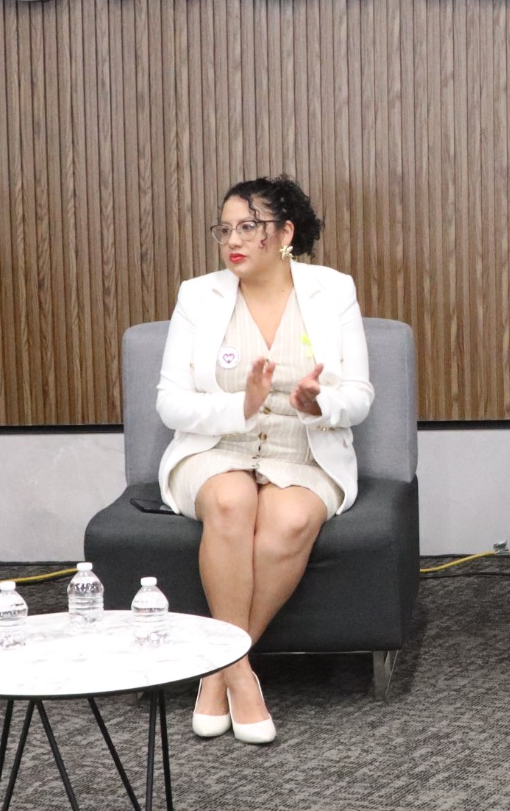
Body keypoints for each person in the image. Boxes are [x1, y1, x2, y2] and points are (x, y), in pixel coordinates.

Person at [157, 176, 373, 746]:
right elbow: (169, 402)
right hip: (215, 449)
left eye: (248, 227)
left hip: (303, 450)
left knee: (292, 520)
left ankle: (218, 668)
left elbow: (359, 395)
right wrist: (240, 406)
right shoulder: (197, 296)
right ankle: (243, 680)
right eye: (225, 229)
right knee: (232, 501)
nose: (233, 241)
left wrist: (319, 403)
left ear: (285, 234)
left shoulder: (333, 291)